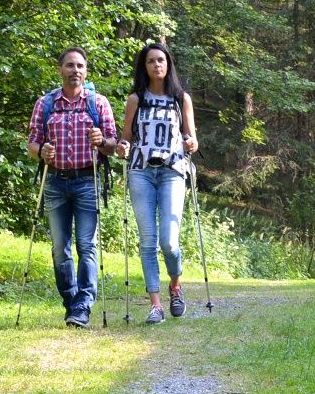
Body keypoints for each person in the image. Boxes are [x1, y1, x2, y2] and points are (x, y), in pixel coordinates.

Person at [27, 47, 119, 328]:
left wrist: (101, 141)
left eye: (80, 66)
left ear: (86, 71)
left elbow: (113, 144)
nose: (75, 70)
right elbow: (32, 142)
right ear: (60, 70)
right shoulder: (46, 103)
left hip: (87, 181)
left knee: (87, 245)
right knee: (59, 248)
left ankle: (83, 305)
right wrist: (41, 150)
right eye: (69, 65)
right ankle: (71, 302)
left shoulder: (98, 103)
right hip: (55, 181)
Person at [115, 43, 198, 325]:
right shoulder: (135, 99)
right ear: (144, 66)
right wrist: (122, 147)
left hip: (173, 171)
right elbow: (125, 138)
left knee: (169, 242)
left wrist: (191, 143)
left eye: (161, 60)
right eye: (150, 61)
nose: (156, 65)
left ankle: (175, 286)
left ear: (168, 64)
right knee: (148, 241)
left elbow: (192, 138)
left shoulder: (180, 98)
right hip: (141, 171)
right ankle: (156, 305)